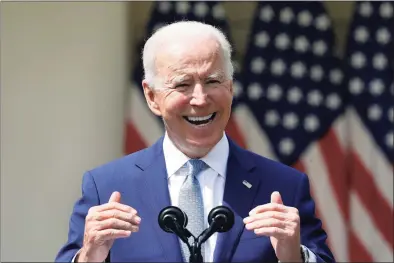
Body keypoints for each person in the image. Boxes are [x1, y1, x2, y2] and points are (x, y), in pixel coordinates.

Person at [55, 21, 335, 263]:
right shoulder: (106, 187)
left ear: (231, 87)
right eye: (182, 85)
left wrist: (294, 257)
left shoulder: (284, 186)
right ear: (151, 97)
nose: (200, 99)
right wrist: (90, 255)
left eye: (212, 81)